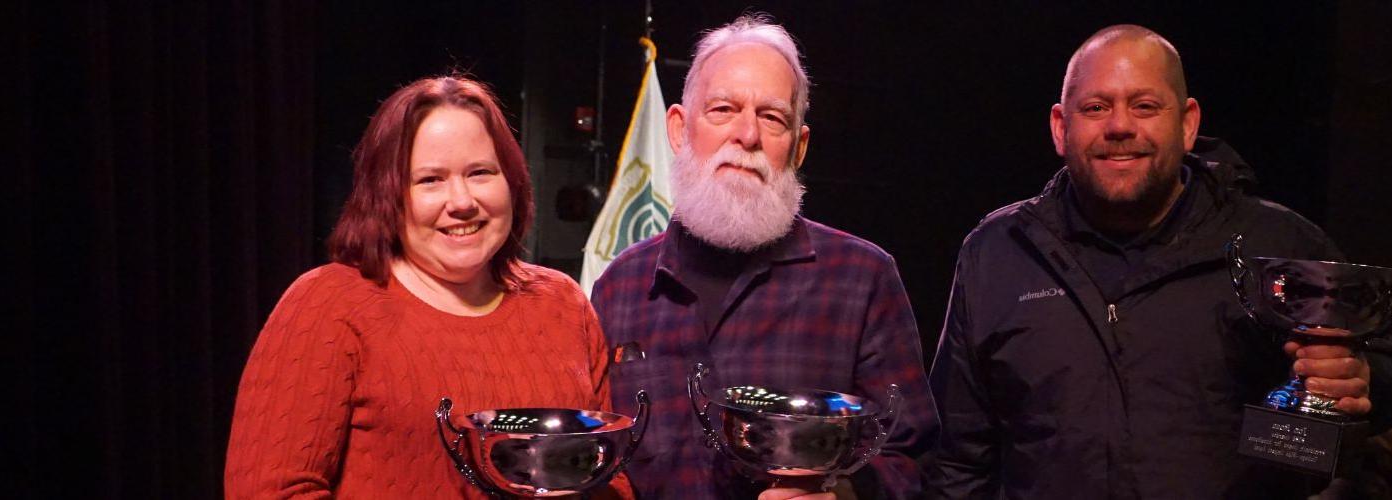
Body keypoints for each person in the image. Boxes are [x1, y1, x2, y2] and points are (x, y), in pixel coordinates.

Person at [921, 24, 1392, 498]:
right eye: (1095, 107)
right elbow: (960, 456)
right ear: (1059, 126)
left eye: (1145, 106)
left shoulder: (1279, 242)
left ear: (1187, 122)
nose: (1119, 126)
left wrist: (1363, 377)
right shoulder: (998, 250)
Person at [225, 76, 630, 499]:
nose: (461, 201)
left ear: (512, 182)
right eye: (430, 180)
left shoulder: (562, 304)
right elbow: (270, 491)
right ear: (388, 195)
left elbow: (608, 473)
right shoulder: (329, 305)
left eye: (480, 173)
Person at [591, 14, 936, 500]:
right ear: (678, 129)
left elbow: (915, 456)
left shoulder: (863, 279)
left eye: (772, 117)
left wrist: (846, 495)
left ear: (798, 147)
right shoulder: (617, 288)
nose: (747, 135)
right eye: (723, 109)